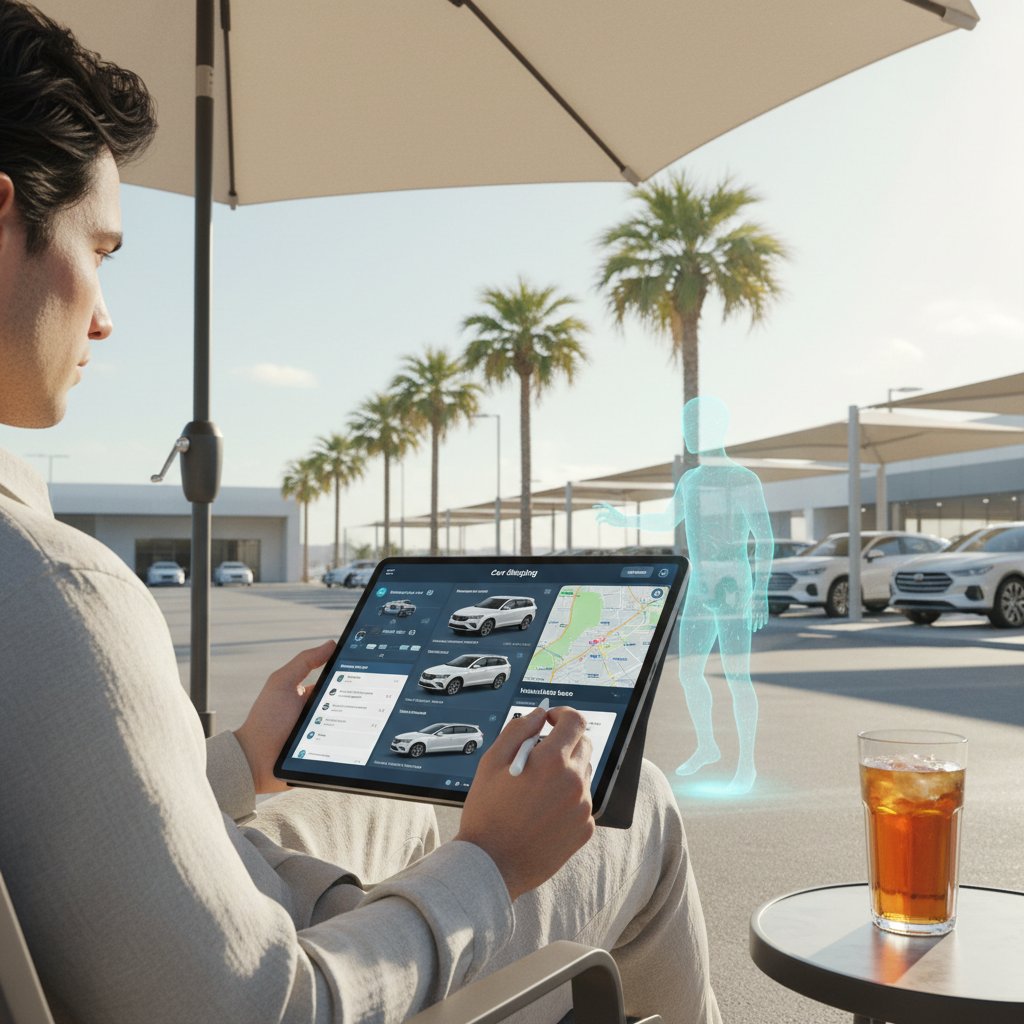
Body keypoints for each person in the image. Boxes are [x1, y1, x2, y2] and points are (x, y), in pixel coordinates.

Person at [0, 4, 720, 1022]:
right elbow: (270, 1007)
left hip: (195, 928)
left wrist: (239, 763)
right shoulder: (54, 586)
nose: (107, 315)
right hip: (296, 982)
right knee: (629, 805)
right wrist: (488, 861)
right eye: (103, 249)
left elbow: (77, 834)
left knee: (362, 821)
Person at [597, 396, 773, 795]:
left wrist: (759, 592)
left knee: (736, 675)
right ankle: (708, 746)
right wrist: (624, 519)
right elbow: (666, 519)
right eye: (684, 425)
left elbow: (764, 537)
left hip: (733, 584)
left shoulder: (743, 479)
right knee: (690, 672)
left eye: (693, 426)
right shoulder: (690, 481)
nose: (687, 434)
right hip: (700, 583)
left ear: (715, 428)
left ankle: (746, 763)